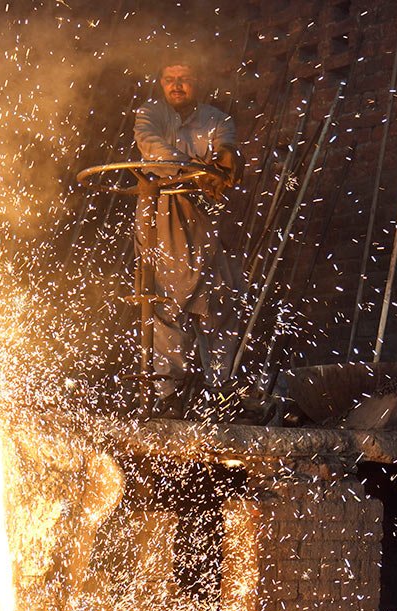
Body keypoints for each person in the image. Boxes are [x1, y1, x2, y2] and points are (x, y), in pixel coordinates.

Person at [133, 59, 238, 412]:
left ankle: (220, 390)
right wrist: (194, 171)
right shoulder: (151, 113)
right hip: (161, 211)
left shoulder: (217, 120)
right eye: (169, 79)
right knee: (166, 300)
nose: (176, 85)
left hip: (203, 215)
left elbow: (227, 148)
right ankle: (168, 393)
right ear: (161, 83)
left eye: (184, 79)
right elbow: (152, 147)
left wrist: (224, 161)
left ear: (198, 82)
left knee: (217, 298)